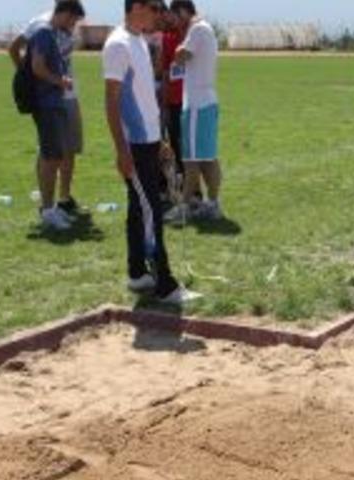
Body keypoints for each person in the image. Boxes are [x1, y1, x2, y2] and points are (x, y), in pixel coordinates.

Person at [103, 0, 198, 304]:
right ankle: (165, 285)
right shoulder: (118, 45)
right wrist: (122, 151)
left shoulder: (139, 42)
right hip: (135, 144)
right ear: (138, 6)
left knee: (137, 208)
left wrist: (161, 139)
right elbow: (111, 102)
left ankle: (137, 273)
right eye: (156, 7)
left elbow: (145, 96)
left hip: (150, 141)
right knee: (150, 211)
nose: (160, 14)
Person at [9, 0, 85, 222]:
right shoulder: (42, 31)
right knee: (50, 157)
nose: (72, 25)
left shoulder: (51, 32)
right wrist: (59, 81)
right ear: (63, 13)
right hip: (48, 102)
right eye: (72, 19)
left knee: (55, 154)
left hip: (56, 101)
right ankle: (48, 210)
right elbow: (37, 67)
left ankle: (54, 205)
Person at [166, 0, 223, 222]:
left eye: (175, 16)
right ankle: (213, 203)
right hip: (207, 101)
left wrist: (181, 43)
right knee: (208, 157)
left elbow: (180, 55)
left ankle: (184, 207)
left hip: (197, 105)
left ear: (182, 12)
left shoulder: (197, 29)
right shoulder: (206, 28)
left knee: (191, 160)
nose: (174, 22)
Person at [160, 5, 189, 197]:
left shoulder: (190, 33)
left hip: (190, 101)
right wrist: (164, 102)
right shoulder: (166, 38)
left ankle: (194, 192)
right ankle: (177, 189)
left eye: (166, 15)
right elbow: (165, 71)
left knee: (190, 147)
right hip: (173, 101)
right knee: (176, 145)